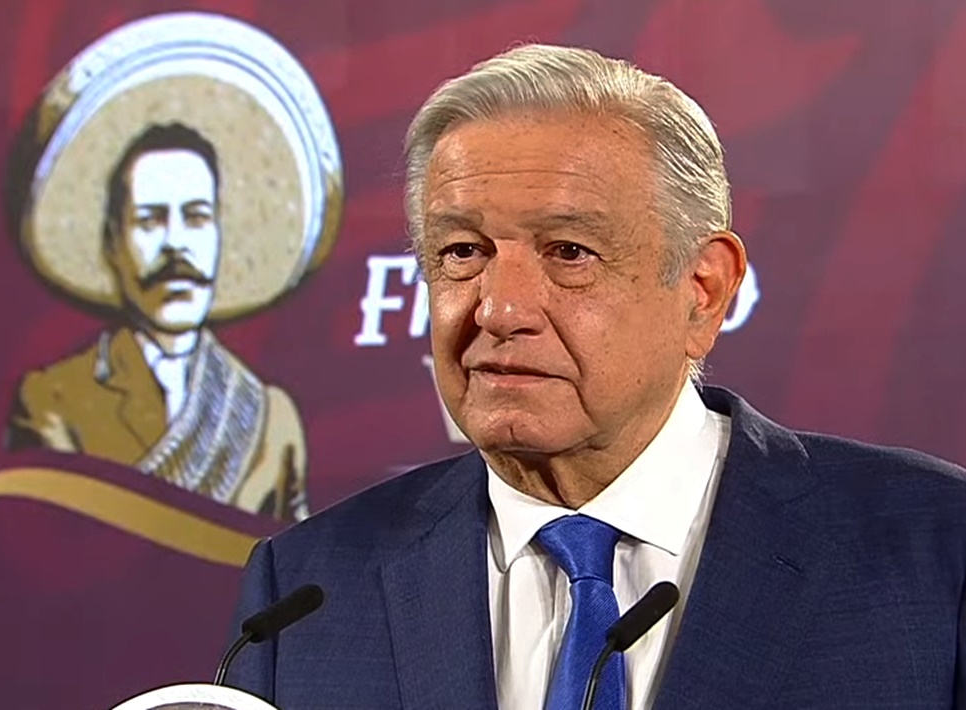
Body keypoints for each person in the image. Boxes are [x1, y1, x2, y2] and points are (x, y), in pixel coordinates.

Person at [225, 45, 966, 708]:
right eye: (462, 252)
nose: (500, 309)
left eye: (569, 252)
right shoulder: (308, 590)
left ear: (703, 290)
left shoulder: (934, 549)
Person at [5, 123, 309, 523]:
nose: (175, 244)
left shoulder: (269, 417)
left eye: (196, 218)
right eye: (150, 221)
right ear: (113, 242)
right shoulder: (54, 402)